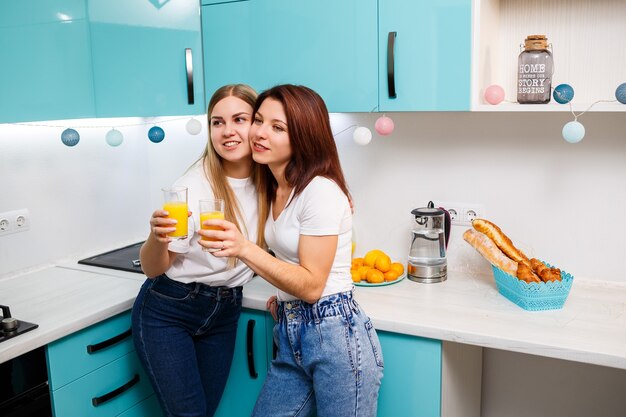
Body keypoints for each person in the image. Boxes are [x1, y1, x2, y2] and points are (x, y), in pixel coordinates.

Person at [202, 84, 384, 417]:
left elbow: (313, 286)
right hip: (291, 328)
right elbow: (293, 263)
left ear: (302, 137)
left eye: (277, 127)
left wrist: (243, 248)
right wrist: (287, 300)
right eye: (258, 120)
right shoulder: (275, 185)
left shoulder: (320, 192)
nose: (258, 133)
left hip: (336, 336)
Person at [131, 84, 268, 417]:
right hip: (169, 310)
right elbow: (153, 268)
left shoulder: (271, 180)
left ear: (257, 124)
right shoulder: (192, 187)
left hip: (225, 310)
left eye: (239, 119)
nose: (227, 131)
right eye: (217, 122)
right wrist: (157, 238)